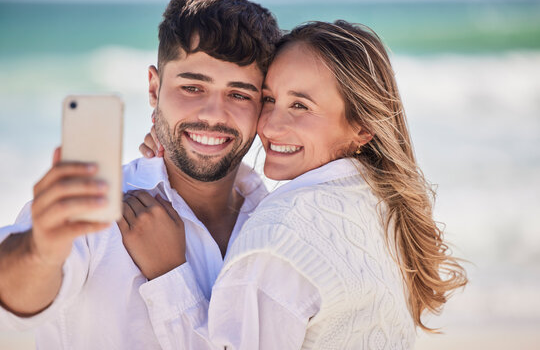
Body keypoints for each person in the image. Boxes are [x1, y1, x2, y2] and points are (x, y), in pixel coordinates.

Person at [136, 20, 468, 349]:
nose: (271, 125)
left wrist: (168, 275)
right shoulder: (380, 202)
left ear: (363, 128)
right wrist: (193, 154)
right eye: (268, 99)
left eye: (300, 105)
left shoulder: (278, 237)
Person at [0, 0, 281, 349]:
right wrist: (41, 249)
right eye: (192, 87)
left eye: (239, 94)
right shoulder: (100, 209)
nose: (213, 114)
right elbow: (11, 300)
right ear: (154, 87)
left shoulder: (275, 219)